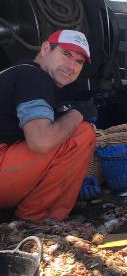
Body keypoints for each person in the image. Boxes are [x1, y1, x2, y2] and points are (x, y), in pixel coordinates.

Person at [0, 29, 98, 221]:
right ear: (45, 49)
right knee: (81, 133)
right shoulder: (34, 78)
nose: (71, 66)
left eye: (79, 62)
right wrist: (79, 113)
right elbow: (41, 142)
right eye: (66, 54)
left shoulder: (16, 72)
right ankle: (35, 221)